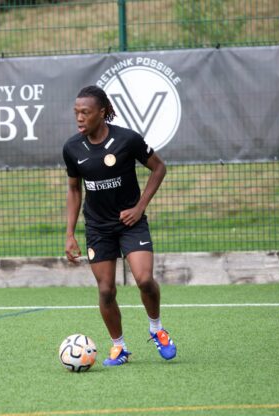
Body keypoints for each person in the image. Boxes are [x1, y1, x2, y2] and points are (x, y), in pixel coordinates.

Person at [62, 85, 176, 366]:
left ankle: (157, 328)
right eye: (76, 112)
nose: (79, 118)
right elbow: (75, 190)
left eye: (85, 113)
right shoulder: (72, 148)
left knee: (145, 280)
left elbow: (159, 168)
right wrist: (69, 234)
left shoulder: (127, 140)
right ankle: (119, 347)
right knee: (105, 291)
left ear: (101, 113)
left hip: (131, 224)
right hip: (98, 228)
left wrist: (139, 208)